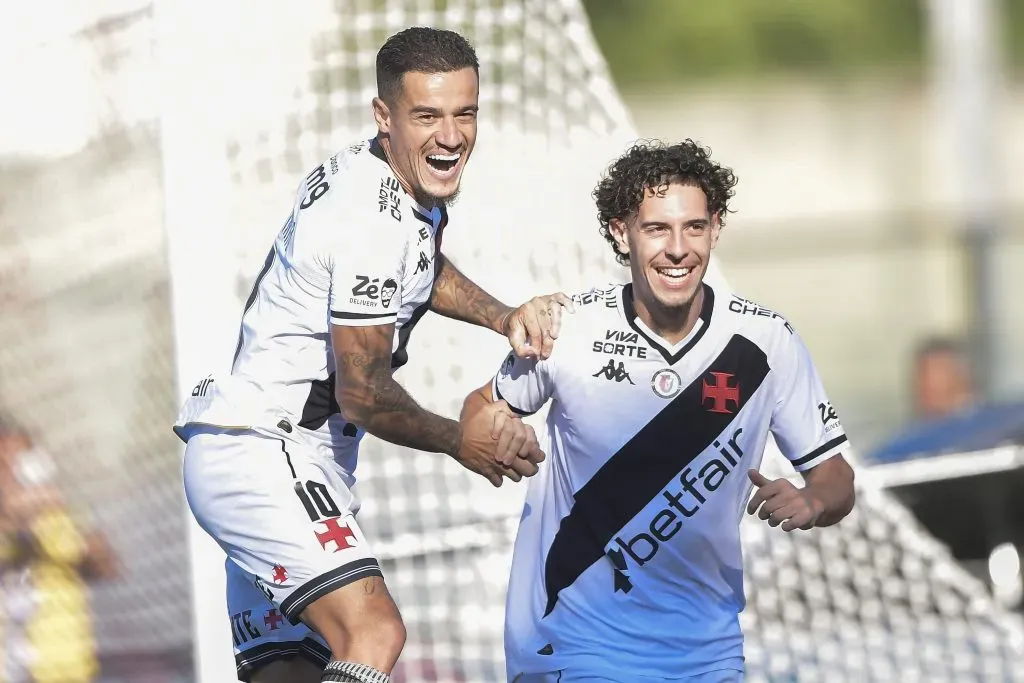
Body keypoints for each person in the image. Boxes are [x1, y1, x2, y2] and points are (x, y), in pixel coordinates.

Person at [174, 27, 568, 683]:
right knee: (374, 632)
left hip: (268, 454)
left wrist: (503, 317)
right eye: (427, 116)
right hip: (263, 456)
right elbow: (361, 389)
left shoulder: (391, 183)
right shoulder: (366, 216)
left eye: (464, 113)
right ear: (384, 116)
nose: (450, 135)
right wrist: (460, 439)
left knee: (294, 673)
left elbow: (420, 266)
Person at [461, 140, 857, 682]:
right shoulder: (567, 330)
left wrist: (813, 499)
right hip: (576, 648)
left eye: (694, 227)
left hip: (709, 655)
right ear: (620, 232)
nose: (678, 249)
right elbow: (479, 410)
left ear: (715, 229)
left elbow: (837, 478)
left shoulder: (765, 342)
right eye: (656, 229)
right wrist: (494, 434)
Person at [0, 420, 118, 683]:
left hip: (66, 672)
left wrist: (87, 548)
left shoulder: (57, 518)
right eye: (9, 463)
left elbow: (106, 566)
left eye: (23, 460)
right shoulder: (14, 518)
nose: (16, 472)